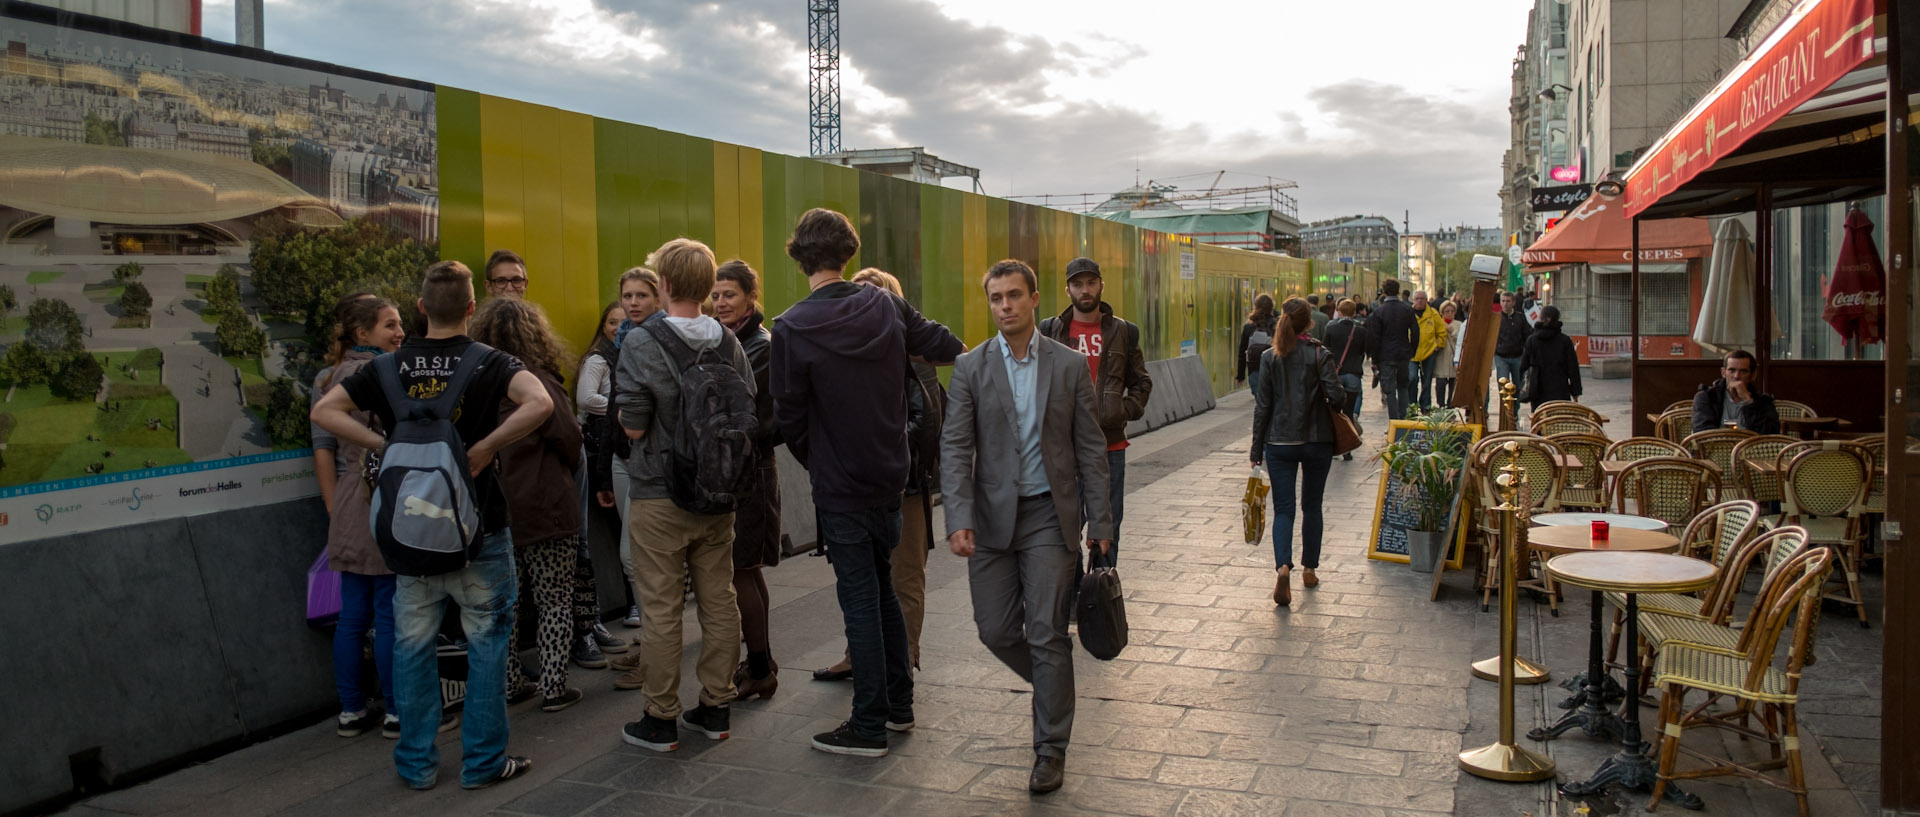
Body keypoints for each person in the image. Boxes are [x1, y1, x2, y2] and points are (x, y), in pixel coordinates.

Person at [311, 259, 551, 791]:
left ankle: (416, 765)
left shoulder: (388, 367)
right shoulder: (493, 362)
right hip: (480, 528)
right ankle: (484, 763)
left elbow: (325, 413)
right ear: (471, 307)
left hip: (410, 532)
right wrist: (486, 446)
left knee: (412, 645)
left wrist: (384, 446)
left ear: (420, 309)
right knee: (488, 643)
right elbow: (540, 403)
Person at [771, 208, 964, 758]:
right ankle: (899, 706)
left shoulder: (790, 327)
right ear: (848, 252)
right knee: (880, 590)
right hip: (892, 472)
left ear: (798, 255)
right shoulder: (885, 304)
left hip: (841, 481)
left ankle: (869, 723)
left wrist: (821, 460)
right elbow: (947, 346)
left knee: (860, 597)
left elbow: (790, 416)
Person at [942, 259, 1112, 795]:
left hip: (1048, 515)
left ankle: (1050, 749)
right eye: (996, 298)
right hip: (991, 520)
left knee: (1045, 632)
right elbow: (954, 446)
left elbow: (1089, 446)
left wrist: (1101, 521)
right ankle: (1053, 686)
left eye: (1014, 295)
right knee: (994, 629)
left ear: (1035, 299)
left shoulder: (1065, 365)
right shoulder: (971, 367)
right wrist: (958, 517)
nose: (1005, 306)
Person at [613, 239, 752, 753]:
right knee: (719, 601)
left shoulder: (642, 341)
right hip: (718, 493)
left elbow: (632, 425)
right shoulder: (728, 341)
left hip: (659, 494)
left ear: (665, 285)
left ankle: (660, 716)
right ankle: (716, 706)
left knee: (661, 608)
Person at [486, 249, 625, 670]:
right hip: (522, 489)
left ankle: (581, 631)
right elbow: (566, 430)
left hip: (528, 486)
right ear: (488, 286)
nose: (511, 288)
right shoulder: (492, 360)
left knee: (556, 567)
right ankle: (551, 674)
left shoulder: (524, 355)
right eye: (502, 281)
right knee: (541, 589)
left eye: (517, 281)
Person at [813, 268, 945, 680]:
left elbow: (926, 423)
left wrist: (872, 446)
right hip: (862, 486)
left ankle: (900, 663)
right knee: (862, 579)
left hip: (903, 486)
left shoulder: (910, 354)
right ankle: (860, 656)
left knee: (903, 577)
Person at [473, 298, 588, 714]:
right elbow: (570, 438)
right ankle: (554, 686)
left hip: (493, 509)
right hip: (547, 505)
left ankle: (509, 683)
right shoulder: (538, 381)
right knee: (554, 599)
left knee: (503, 604)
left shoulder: (474, 383)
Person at [311, 294, 407, 739]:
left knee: (352, 615)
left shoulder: (327, 377)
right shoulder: (383, 372)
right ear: (361, 333)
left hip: (348, 497)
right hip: (383, 492)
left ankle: (350, 709)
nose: (399, 333)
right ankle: (395, 710)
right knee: (388, 611)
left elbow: (323, 449)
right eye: (389, 325)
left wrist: (335, 512)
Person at [1038, 256, 1150, 572]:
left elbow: (1141, 382)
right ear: (1067, 289)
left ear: (1101, 285)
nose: (1084, 290)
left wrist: (1120, 410)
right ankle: (1072, 591)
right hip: (1065, 447)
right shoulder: (1051, 330)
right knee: (1064, 524)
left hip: (1109, 446)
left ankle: (1100, 592)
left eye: (1090, 282)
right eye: (1077, 284)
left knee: (1108, 526)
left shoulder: (1124, 332)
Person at [710, 259, 784, 701]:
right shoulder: (735, 340)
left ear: (751, 297)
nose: (720, 302)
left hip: (749, 471)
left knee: (742, 571)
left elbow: (737, 410)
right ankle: (761, 662)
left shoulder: (759, 346)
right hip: (742, 469)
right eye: (716, 294)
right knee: (746, 570)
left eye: (729, 295)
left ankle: (760, 668)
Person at [1250, 298, 1343, 607]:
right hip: (1317, 441)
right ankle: (1310, 569)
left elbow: (1262, 407)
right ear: (1310, 323)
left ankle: (1283, 567)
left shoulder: (1269, 357)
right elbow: (1337, 397)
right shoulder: (1320, 353)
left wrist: (1256, 450)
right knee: (1312, 506)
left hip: (1278, 443)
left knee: (1284, 509)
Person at [594, 267, 664, 637]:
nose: (633, 303)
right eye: (627, 295)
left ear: (657, 297)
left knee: (633, 556)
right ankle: (652, 643)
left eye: (641, 295)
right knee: (638, 557)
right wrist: (604, 471)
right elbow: (612, 410)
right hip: (621, 458)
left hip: (650, 461)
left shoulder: (663, 338)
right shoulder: (622, 340)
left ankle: (655, 644)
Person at [575, 300, 645, 633]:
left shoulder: (627, 357)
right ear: (603, 326)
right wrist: (623, 408)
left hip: (625, 452)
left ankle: (645, 612)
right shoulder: (599, 359)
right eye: (612, 322)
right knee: (627, 540)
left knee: (633, 541)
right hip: (609, 453)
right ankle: (640, 608)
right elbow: (586, 399)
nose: (618, 327)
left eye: (624, 321)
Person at [1321, 299, 1371, 462]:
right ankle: (1348, 449)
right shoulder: (1362, 331)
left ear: (1339, 312)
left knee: (1333, 412)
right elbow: (1366, 351)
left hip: (1334, 375)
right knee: (1348, 412)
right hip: (1354, 374)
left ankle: (1333, 444)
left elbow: (1324, 350)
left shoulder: (1331, 328)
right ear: (1354, 312)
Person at [1690, 350, 1781, 433]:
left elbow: (1770, 434)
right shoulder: (1707, 397)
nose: (1736, 376)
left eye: (1743, 371)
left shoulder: (1764, 402)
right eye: (1732, 370)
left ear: (1753, 375)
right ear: (1723, 373)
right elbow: (1702, 432)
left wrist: (1748, 402)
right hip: (1715, 449)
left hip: (1751, 449)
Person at [1369, 279, 1418, 420]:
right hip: (1403, 353)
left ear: (1384, 291)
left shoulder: (1379, 311)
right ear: (1398, 291)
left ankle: (1393, 421)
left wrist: (1375, 358)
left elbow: (1375, 337)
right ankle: (1403, 419)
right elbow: (1415, 332)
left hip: (1386, 355)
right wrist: (1412, 350)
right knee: (1403, 386)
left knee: (1389, 390)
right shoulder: (1407, 309)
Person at [1518, 304, 1581, 409]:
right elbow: (1573, 368)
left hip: (1537, 387)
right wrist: (1575, 391)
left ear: (1541, 318)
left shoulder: (1532, 340)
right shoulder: (1565, 341)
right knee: (1558, 420)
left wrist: (1523, 388)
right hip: (1560, 387)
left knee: (1540, 419)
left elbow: (1523, 366)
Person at [1236, 294, 1277, 396]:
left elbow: (1242, 352)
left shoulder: (1248, 327)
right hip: (1273, 370)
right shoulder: (1277, 325)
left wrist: (1240, 376)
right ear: (1272, 307)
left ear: (1256, 307)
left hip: (1254, 370)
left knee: (1260, 402)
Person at [1411, 290, 1445, 411]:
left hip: (1429, 352)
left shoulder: (1433, 314)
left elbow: (1442, 332)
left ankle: (1425, 406)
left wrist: (1437, 345)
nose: (1419, 301)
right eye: (1417, 298)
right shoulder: (1408, 313)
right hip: (1412, 353)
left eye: (1422, 299)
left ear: (1426, 300)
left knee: (1427, 380)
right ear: (1413, 300)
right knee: (1412, 378)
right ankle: (1412, 405)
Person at [1494, 291, 1528, 392]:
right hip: (1501, 356)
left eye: (1508, 301)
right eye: (1503, 301)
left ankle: (1515, 407)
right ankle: (1504, 407)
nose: (1505, 303)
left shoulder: (1520, 317)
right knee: (1503, 384)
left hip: (1517, 356)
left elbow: (1526, 334)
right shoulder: (1496, 318)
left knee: (1517, 385)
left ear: (1513, 302)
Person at [1433, 300, 1462, 407]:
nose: (1449, 313)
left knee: (1453, 385)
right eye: (1447, 311)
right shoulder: (1438, 323)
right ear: (1442, 312)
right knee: (1440, 383)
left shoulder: (1459, 324)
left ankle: (1451, 405)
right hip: (1441, 358)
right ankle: (1441, 405)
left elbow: (1461, 340)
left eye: (1452, 311)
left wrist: (1452, 332)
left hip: (1454, 359)